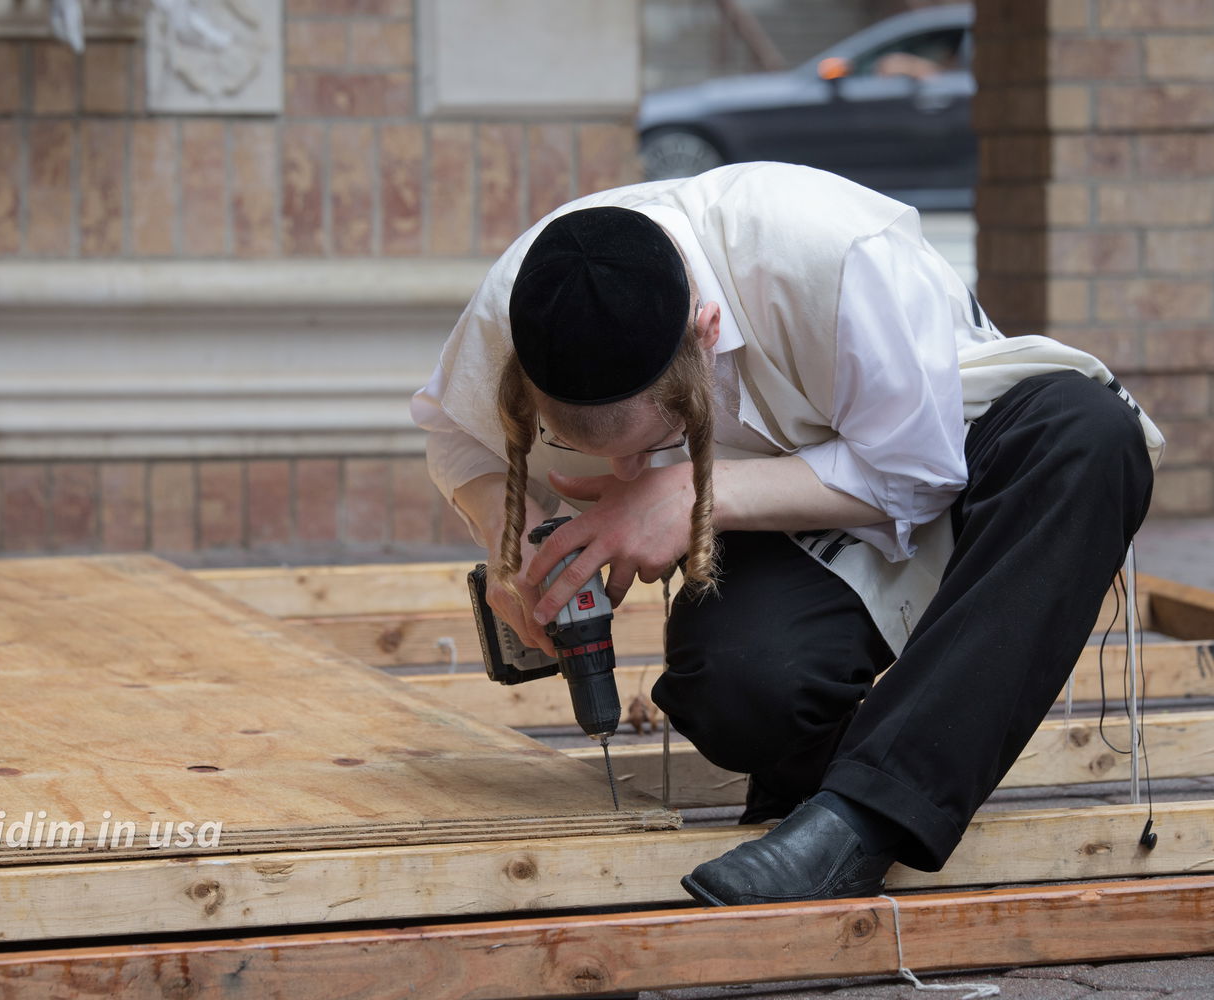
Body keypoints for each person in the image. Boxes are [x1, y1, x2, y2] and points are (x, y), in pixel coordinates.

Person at [410, 162, 1162, 906]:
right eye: (587, 448)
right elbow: (455, 434)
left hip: (960, 453)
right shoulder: (513, 308)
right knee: (739, 687)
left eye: (653, 437)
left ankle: (862, 823)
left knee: (1088, 434)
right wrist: (511, 534)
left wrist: (691, 492)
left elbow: (917, 471)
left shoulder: (829, 255)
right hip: (795, 500)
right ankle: (876, 767)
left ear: (705, 334)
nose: (626, 470)